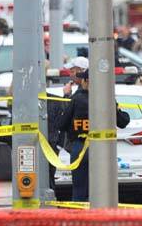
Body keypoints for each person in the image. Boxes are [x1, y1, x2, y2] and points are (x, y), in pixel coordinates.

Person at [54, 65, 132, 202]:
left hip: (80, 149)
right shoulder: (106, 100)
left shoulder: (76, 99)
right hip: (102, 151)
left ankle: (79, 220)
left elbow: (61, 124)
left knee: (79, 190)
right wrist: (117, 107)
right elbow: (123, 121)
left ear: (86, 81)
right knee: (102, 192)